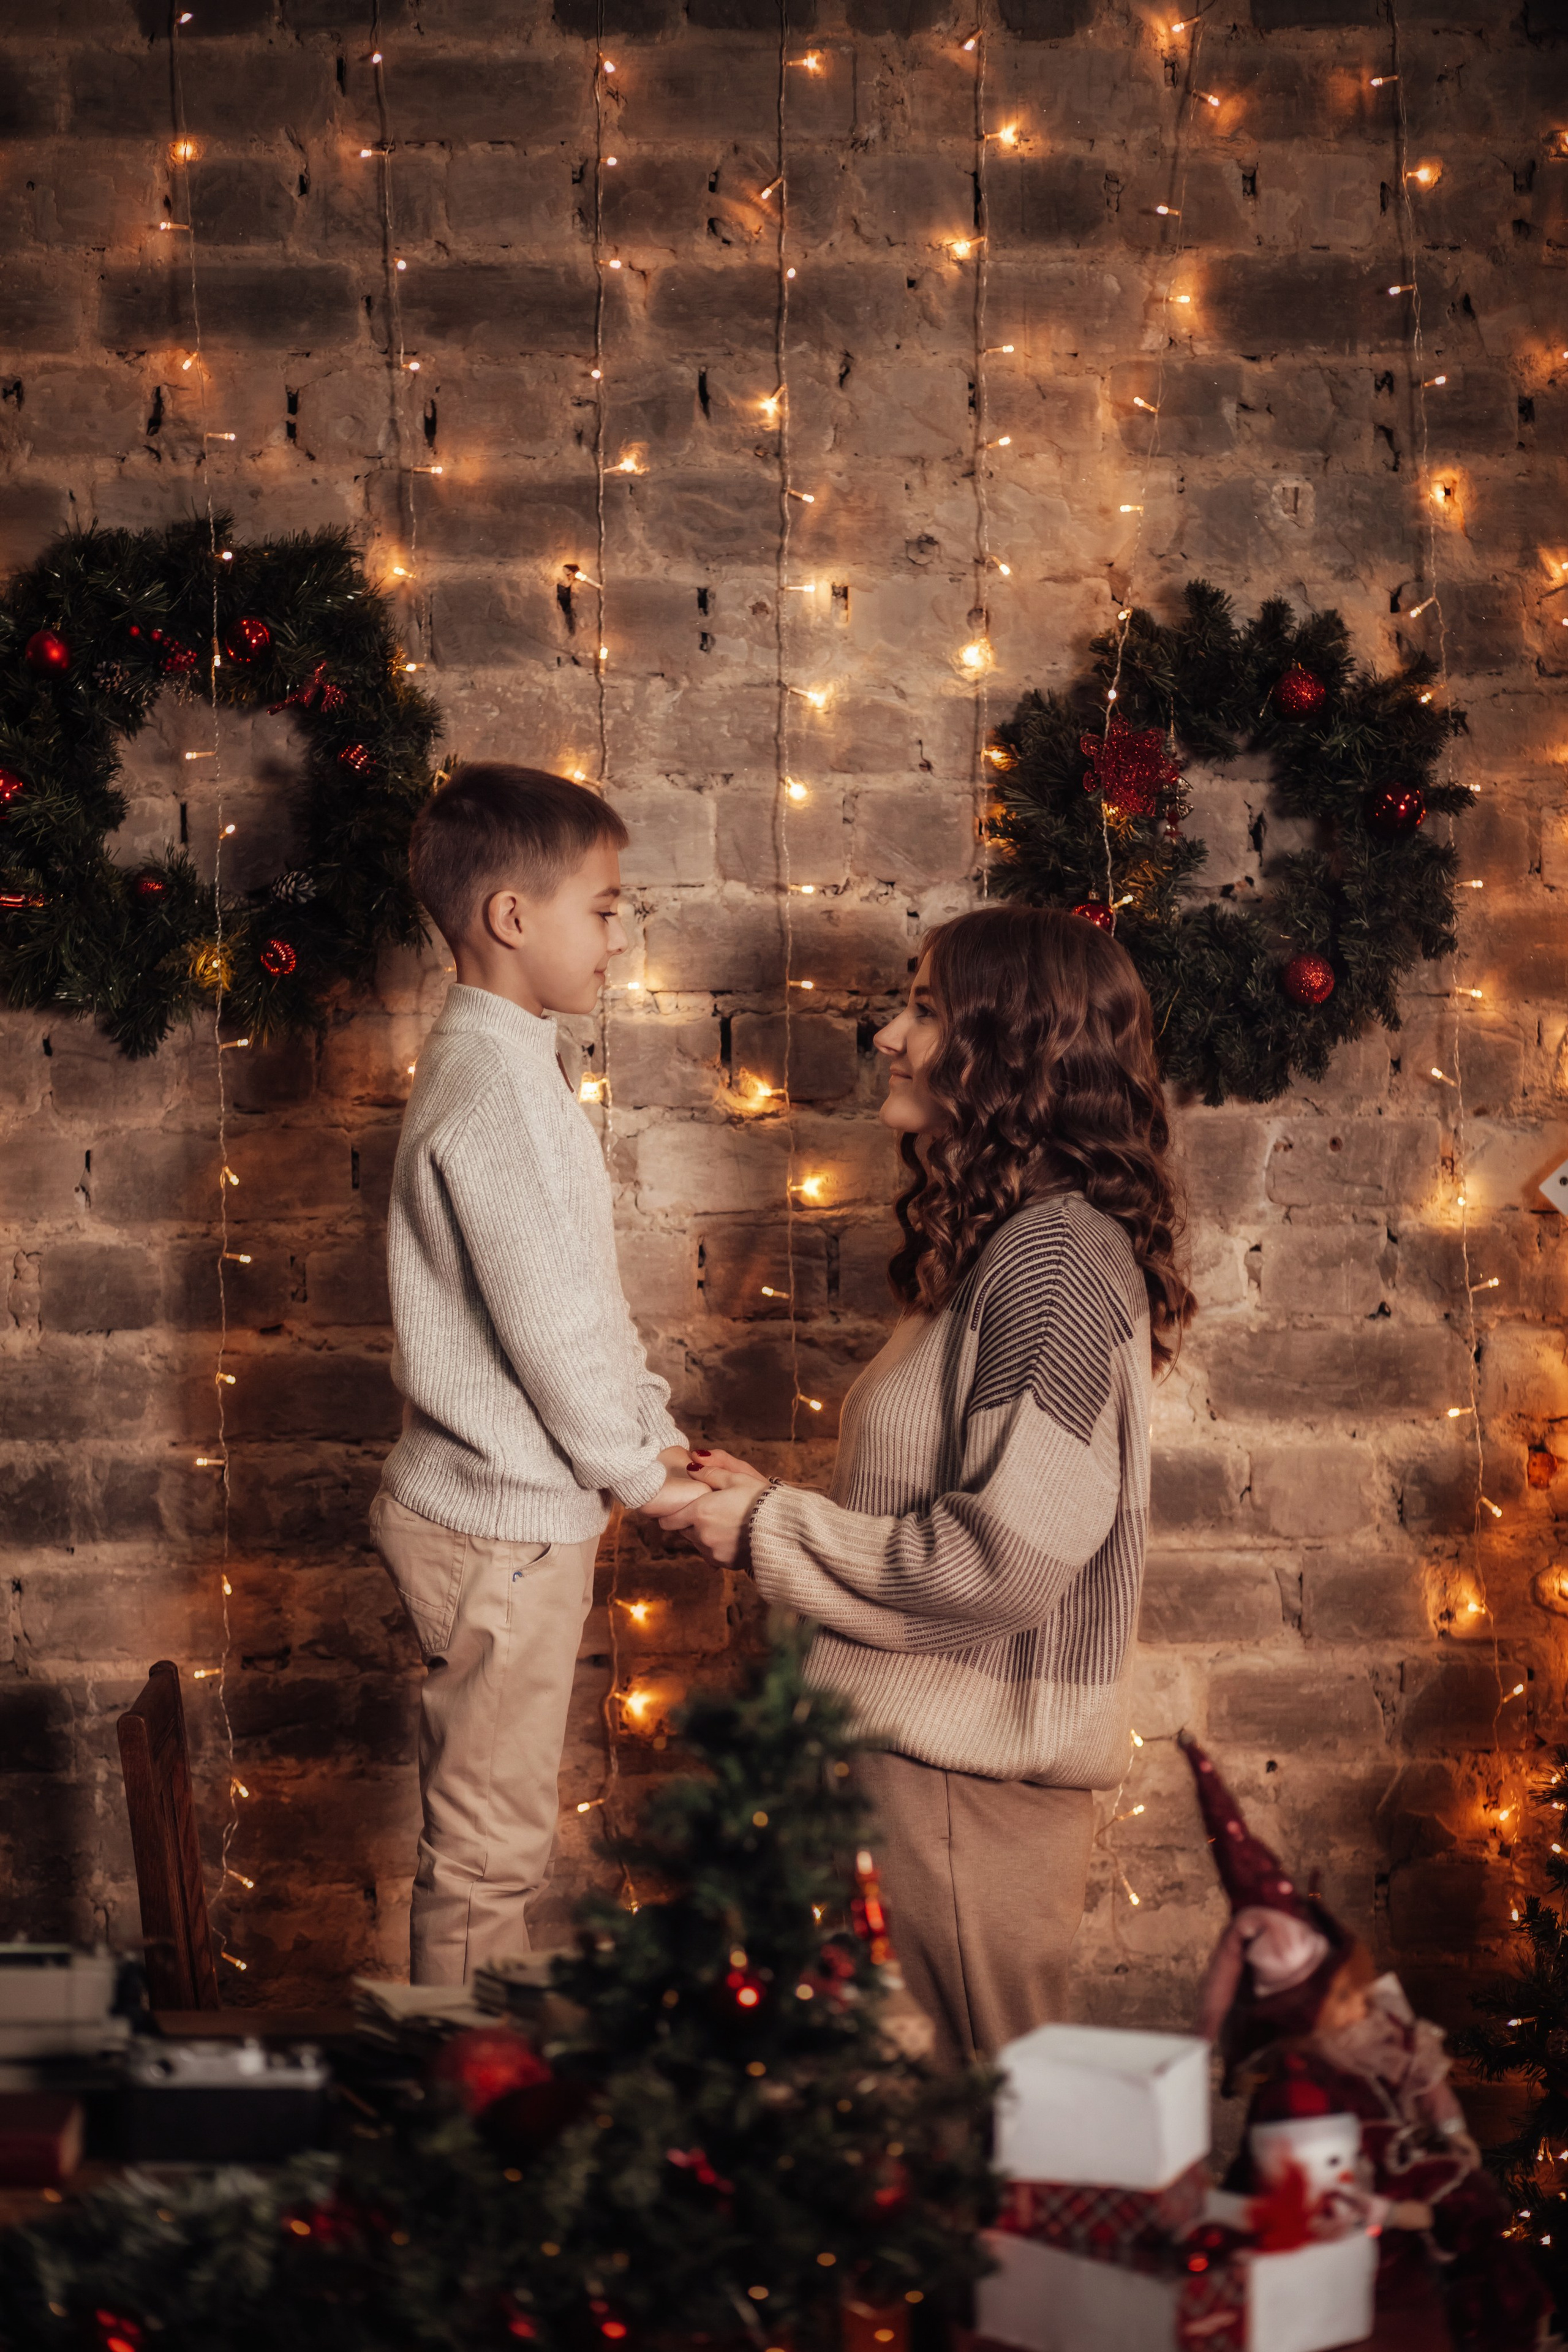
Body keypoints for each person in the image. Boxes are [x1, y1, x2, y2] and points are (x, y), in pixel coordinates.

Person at [660, 904, 1193, 2068]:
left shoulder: (1055, 1260)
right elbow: (965, 1515)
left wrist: (769, 1529)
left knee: (986, 2137)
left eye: (926, 1012)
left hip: (960, 1794)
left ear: (1013, 1048)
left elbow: (1003, 1561)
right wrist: (771, 1504)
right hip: (925, 1778)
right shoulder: (1010, 1246)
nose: (888, 1038)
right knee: (931, 2139)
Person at [371, 764, 706, 1985]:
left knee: (497, 1839)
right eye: (604, 909)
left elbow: (576, 1296)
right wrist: (643, 1479)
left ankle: (472, 2071)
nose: (619, 938)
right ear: (511, 916)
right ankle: (452, 2092)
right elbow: (552, 1332)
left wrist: (652, 1436)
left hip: (513, 1520)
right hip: (496, 1530)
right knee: (487, 1853)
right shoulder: (494, 1089)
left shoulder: (513, 1063)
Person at [1181, 1733, 1551, 2351]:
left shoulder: (1379, 2027)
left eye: (1354, 1991)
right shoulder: (1301, 2080)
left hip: (1400, 2168)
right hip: (1356, 2199)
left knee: (1473, 2231)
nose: (1360, 2006)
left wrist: (1452, 2133)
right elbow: (1298, 2177)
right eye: (1343, 2001)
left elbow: (1426, 2084)